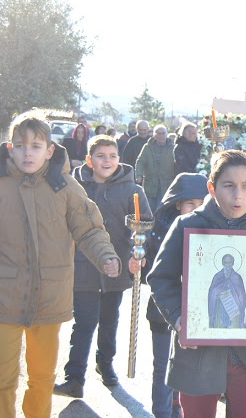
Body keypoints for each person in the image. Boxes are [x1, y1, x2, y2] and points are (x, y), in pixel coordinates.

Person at [147, 150, 246, 418]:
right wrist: (179, 319)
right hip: (199, 354)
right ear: (212, 188)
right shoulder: (188, 225)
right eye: (229, 186)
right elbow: (161, 277)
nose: (238, 195)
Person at [0, 112, 121, 418]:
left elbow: (89, 228)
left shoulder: (64, 186)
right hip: (4, 296)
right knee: (2, 379)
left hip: (48, 297)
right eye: (20, 145)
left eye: (36, 146)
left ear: (49, 150)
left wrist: (106, 256)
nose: (28, 152)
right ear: (9, 147)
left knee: (42, 378)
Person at [52, 135, 152, 399]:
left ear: (119, 159)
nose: (107, 161)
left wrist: (138, 254)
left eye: (112, 156)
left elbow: (145, 228)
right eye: (100, 156)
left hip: (115, 267)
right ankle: (74, 377)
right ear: (89, 160)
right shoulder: (73, 188)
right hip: (82, 266)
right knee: (84, 322)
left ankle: (105, 364)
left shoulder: (133, 191)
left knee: (109, 320)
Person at [129, 172, 208, 418]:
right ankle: (162, 412)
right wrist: (136, 263)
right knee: (163, 366)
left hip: (198, 314)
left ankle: (178, 407)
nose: (196, 209)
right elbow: (151, 275)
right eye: (190, 204)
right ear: (177, 205)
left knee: (188, 368)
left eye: (202, 204)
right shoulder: (159, 234)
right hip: (163, 312)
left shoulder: (213, 234)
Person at [136, 124, 176, 211]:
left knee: (162, 210)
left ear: (166, 134)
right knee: (149, 210)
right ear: (154, 136)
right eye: (158, 133)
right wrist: (138, 175)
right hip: (150, 185)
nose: (161, 136)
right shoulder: (147, 147)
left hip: (166, 185)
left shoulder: (173, 148)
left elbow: (177, 165)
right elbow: (140, 161)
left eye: (163, 133)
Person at [208, 254, 246, 329]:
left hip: (234, 310)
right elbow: (212, 293)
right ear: (222, 263)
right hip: (220, 310)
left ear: (233, 263)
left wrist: (233, 295)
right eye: (226, 263)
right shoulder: (217, 276)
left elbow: (242, 296)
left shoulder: (237, 277)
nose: (228, 265)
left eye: (230, 262)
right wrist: (218, 294)